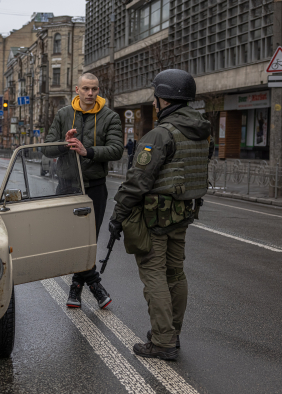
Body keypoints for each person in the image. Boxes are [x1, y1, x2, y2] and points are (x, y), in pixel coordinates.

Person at [109, 69, 213, 360]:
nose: (154, 102)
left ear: (163, 99)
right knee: (176, 273)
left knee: (154, 273)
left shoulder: (161, 134)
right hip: (182, 214)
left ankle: (163, 341)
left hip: (155, 218)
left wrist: (118, 215)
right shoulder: (201, 131)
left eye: (156, 96)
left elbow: (137, 181)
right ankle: (171, 332)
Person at [45, 73, 124, 309]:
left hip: (95, 187)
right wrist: (64, 142)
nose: (91, 93)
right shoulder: (63, 114)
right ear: (77, 90)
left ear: (99, 90)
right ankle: (94, 284)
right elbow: (48, 149)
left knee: (88, 240)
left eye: (95, 89)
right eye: (86, 89)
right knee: (70, 240)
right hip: (67, 187)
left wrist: (87, 151)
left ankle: (76, 287)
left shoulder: (110, 116)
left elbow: (117, 149)